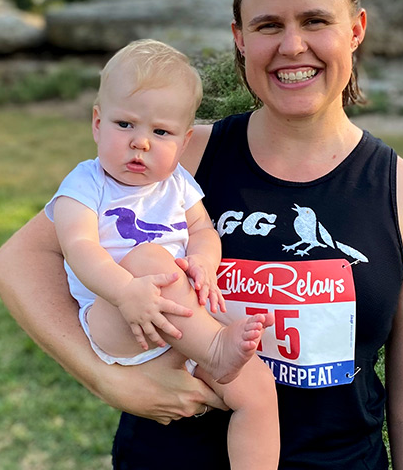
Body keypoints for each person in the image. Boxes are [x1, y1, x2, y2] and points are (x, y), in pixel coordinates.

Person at [0, 0, 403, 469]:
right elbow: (15, 263)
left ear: (355, 30)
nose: (291, 46)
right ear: (239, 37)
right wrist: (110, 381)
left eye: (314, 20)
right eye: (267, 25)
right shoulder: (181, 156)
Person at [44, 39, 278, 469]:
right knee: (154, 260)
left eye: (161, 132)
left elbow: (203, 229)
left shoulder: (178, 184)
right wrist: (126, 291)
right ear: (97, 123)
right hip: (118, 319)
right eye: (125, 125)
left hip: (182, 327)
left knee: (259, 391)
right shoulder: (85, 184)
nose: (141, 144)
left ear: (184, 139)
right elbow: (79, 248)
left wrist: (205, 264)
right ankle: (215, 349)